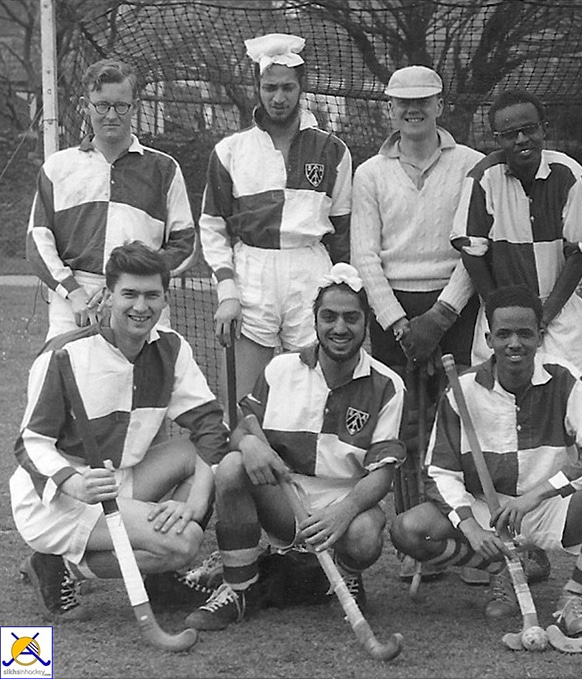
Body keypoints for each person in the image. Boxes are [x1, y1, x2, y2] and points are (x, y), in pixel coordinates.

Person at [390, 285, 582, 637]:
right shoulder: (462, 389)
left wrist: (540, 493)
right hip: (487, 511)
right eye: (504, 334)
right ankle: (498, 569)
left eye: (525, 334)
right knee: (407, 530)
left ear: (540, 336)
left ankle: (573, 595)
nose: (514, 344)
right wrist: (469, 527)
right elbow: (439, 472)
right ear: (489, 338)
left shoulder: (564, 378)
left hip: (551, 505)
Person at [12, 242, 229, 621]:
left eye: (151, 296)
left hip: (118, 479)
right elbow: (31, 444)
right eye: (129, 294)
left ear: (165, 300)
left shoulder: (171, 349)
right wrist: (73, 484)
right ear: (108, 296)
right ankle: (60, 567)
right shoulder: (63, 354)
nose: (140, 307)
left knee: (193, 455)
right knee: (185, 544)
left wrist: (195, 501)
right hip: (61, 497)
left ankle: (154, 569)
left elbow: (211, 428)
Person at [185, 264, 406, 630]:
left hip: (340, 511)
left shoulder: (388, 384)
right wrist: (250, 443)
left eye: (351, 318)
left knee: (367, 533)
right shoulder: (280, 369)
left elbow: (382, 475)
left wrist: (345, 510)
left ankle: (344, 576)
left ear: (367, 322)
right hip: (284, 502)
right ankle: (239, 588)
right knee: (232, 466)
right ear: (315, 320)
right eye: (329, 317)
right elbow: (242, 429)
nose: (339, 328)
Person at [351, 66, 483, 582]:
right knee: (401, 429)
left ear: (439, 105)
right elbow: (365, 255)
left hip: (452, 307)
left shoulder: (472, 165)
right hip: (394, 315)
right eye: (403, 102)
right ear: (389, 109)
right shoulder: (369, 173)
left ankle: (462, 535)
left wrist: (441, 315)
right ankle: (414, 546)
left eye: (423, 101)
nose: (413, 110)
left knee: (455, 425)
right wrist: (399, 323)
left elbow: (473, 249)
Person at [199, 33, 353, 401]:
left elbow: (344, 233)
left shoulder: (334, 150)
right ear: (258, 87)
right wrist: (227, 291)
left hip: (310, 270)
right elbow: (213, 227)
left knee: (317, 393)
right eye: (270, 87)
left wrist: (341, 287)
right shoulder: (230, 151)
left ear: (302, 88)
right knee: (242, 400)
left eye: (287, 87)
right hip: (253, 269)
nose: (278, 97)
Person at [26, 59, 196, 341]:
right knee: (63, 381)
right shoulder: (58, 167)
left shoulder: (164, 168)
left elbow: (185, 243)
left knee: (145, 384)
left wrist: (134, 283)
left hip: (141, 301)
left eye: (121, 106)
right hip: (75, 305)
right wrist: (73, 291)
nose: (111, 115)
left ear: (136, 107)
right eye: (101, 105)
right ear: (85, 105)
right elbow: (38, 241)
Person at [452, 89, 582, 379]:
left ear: (544, 129)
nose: (522, 139)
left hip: (559, 314)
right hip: (501, 317)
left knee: (567, 403)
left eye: (529, 130)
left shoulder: (570, 175)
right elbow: (472, 253)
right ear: (497, 139)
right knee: (497, 404)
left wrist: (544, 317)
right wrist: (498, 311)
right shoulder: (483, 178)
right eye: (511, 134)